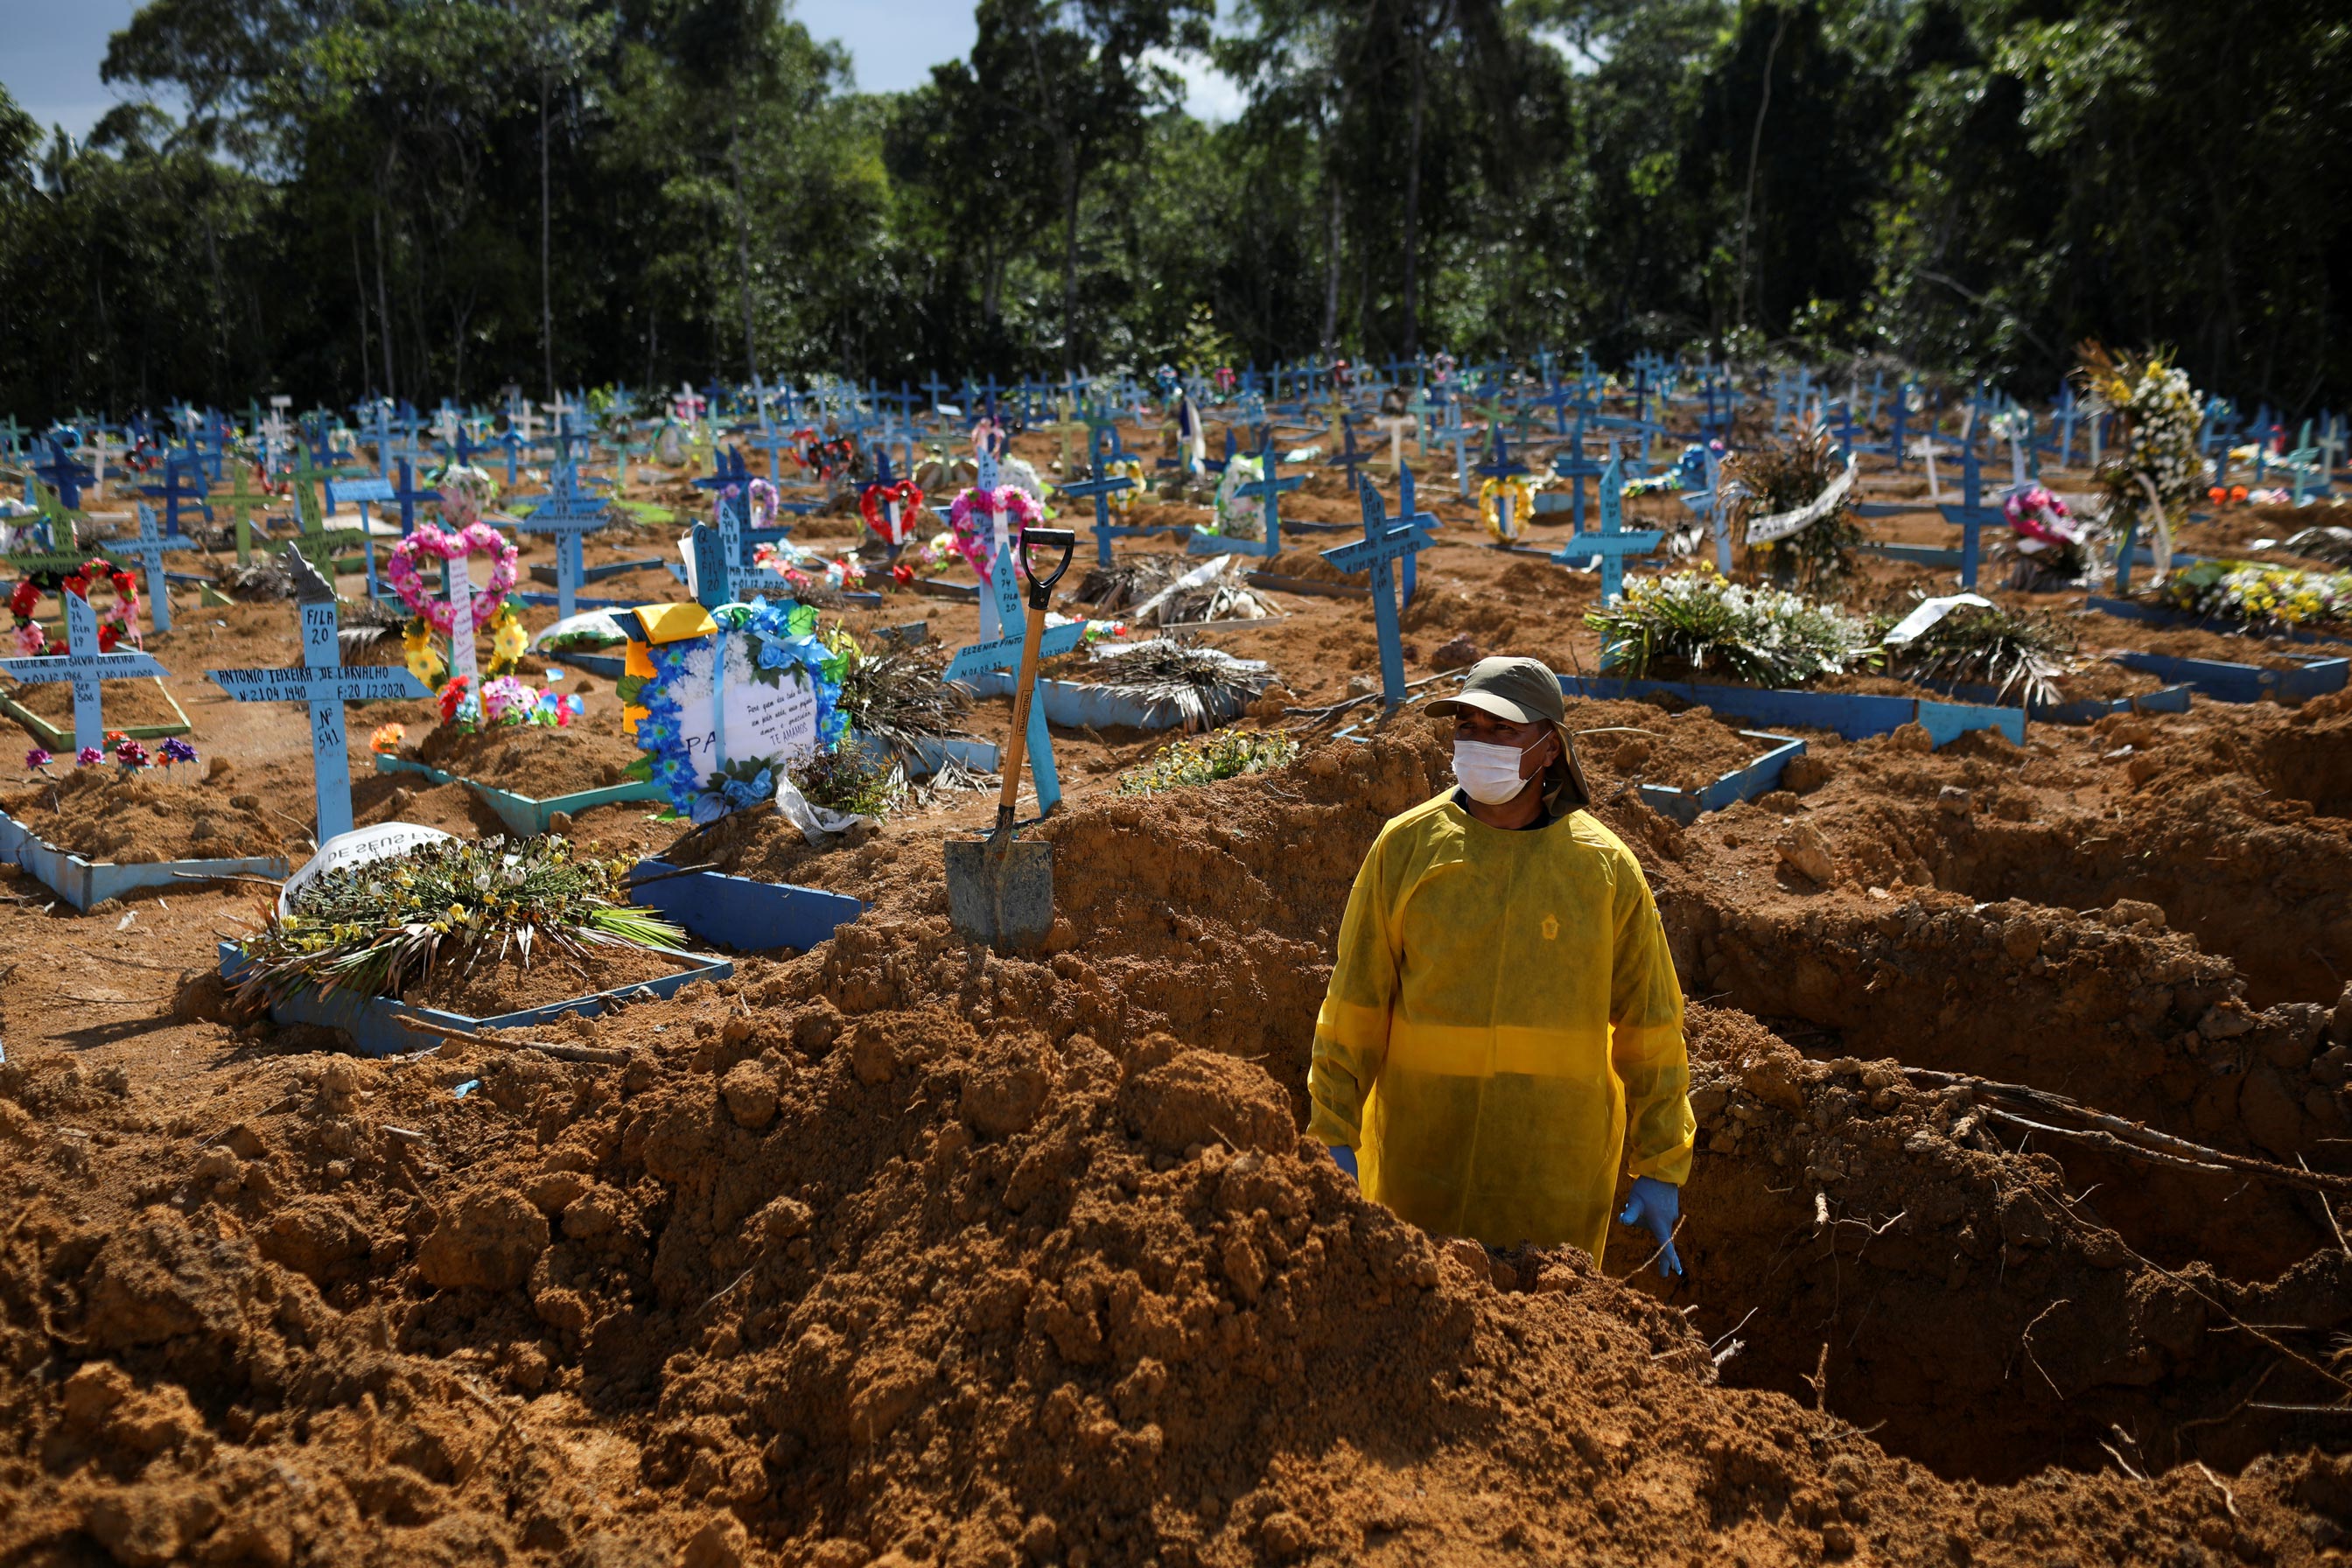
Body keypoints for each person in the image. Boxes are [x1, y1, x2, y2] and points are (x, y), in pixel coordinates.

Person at [1306, 655, 1694, 1276]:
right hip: (1419, 1174)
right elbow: (1353, 1008)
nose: (1477, 744)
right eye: (1467, 727)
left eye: (1501, 730)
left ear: (1549, 748)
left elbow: (1652, 1029)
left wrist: (1660, 1165)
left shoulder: (1604, 870)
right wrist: (1332, 1130)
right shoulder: (1406, 848)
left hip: (1553, 1185)